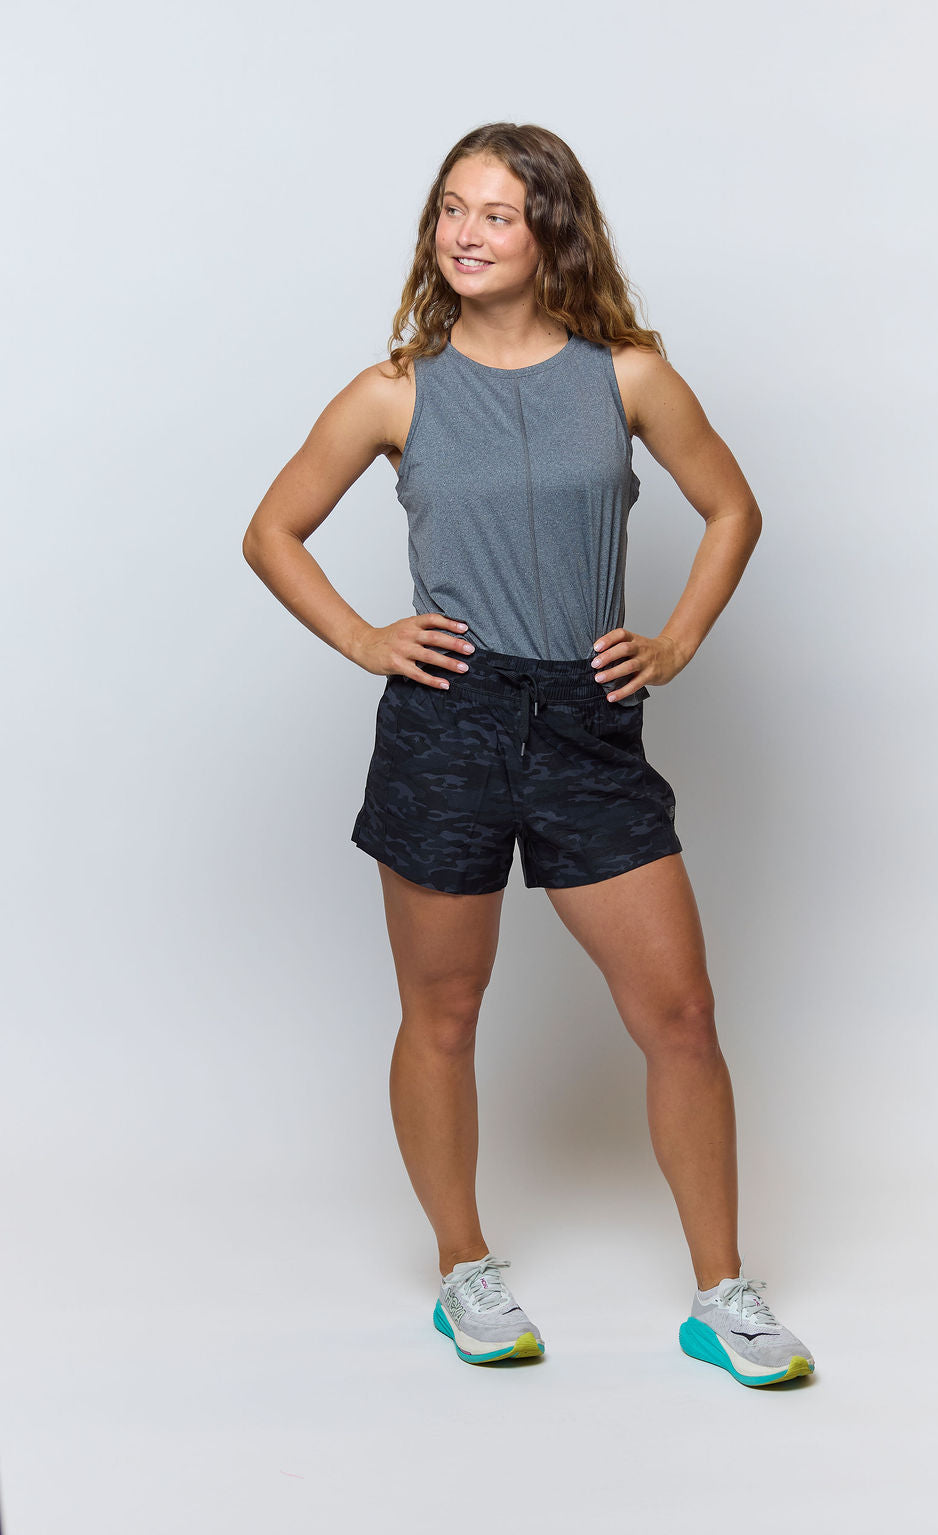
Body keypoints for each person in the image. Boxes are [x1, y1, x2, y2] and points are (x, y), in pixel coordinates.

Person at [242, 122, 815, 1387]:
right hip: (447, 720)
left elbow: (732, 506)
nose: (465, 232)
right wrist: (364, 637)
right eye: (451, 208)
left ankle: (722, 1293)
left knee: (681, 1014)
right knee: (443, 1011)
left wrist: (675, 639)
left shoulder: (628, 377)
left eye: (496, 213)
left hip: (587, 721)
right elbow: (272, 529)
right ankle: (465, 1266)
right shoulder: (394, 390)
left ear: (551, 230)